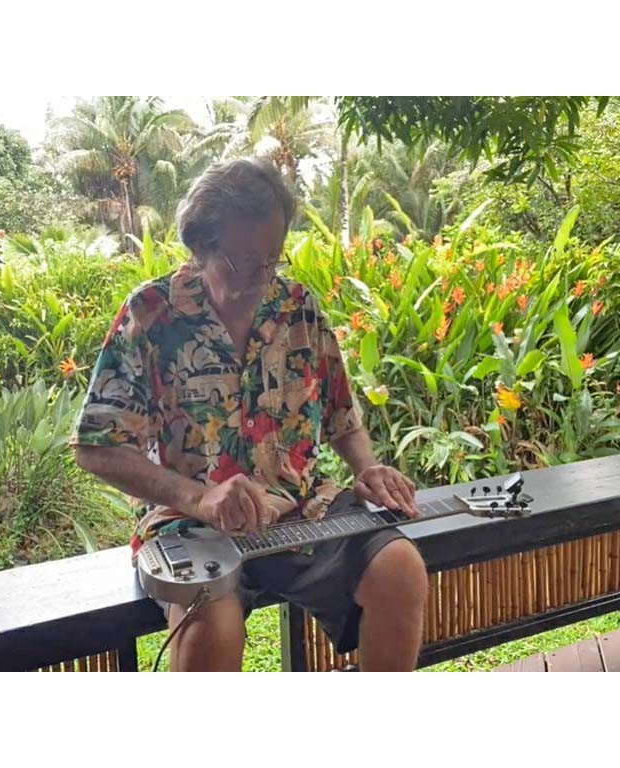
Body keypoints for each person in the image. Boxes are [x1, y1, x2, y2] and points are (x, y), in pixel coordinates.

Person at [72, 158, 428, 671]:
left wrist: (367, 468)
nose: (262, 279)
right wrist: (199, 498)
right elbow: (96, 447)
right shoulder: (152, 313)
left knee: (400, 570)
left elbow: (340, 413)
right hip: (189, 522)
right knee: (211, 629)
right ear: (201, 245)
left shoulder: (297, 306)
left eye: (272, 262)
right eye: (243, 263)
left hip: (302, 507)